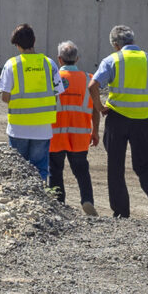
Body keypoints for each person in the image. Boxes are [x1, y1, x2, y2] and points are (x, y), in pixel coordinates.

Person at [93, 25, 148, 219]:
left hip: (117, 119)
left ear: (115, 44)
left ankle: (121, 211)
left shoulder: (113, 60)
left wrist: (100, 107)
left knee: (115, 167)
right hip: (142, 121)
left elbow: (93, 85)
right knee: (143, 166)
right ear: (133, 41)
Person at [0, 23, 59, 179]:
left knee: (18, 170)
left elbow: (5, 97)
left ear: (17, 45)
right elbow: (57, 95)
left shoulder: (11, 65)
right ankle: (40, 194)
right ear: (34, 40)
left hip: (18, 127)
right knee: (40, 170)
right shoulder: (49, 64)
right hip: (43, 128)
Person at [48, 41, 98, 216]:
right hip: (80, 135)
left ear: (59, 59)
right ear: (77, 59)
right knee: (82, 171)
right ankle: (87, 200)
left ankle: (58, 205)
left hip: (55, 134)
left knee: (55, 171)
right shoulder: (89, 79)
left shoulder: (52, 79)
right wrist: (95, 131)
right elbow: (95, 108)